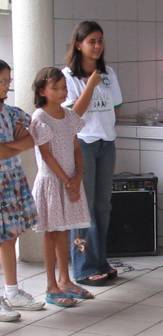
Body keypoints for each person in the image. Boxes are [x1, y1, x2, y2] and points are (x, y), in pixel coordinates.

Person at [63, 21, 123, 286]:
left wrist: (106, 129)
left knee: (103, 206)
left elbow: (115, 108)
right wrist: (91, 84)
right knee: (83, 208)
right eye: (92, 41)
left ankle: (100, 260)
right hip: (83, 144)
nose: (98, 46)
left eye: (100, 41)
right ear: (78, 44)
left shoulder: (108, 72)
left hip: (106, 143)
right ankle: (83, 266)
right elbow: (73, 114)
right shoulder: (67, 76)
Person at [30, 67, 93, 307]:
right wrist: (67, 181)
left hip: (70, 181)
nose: (61, 92)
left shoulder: (69, 116)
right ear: (42, 91)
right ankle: (51, 286)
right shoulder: (40, 117)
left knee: (65, 230)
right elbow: (46, 155)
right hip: (52, 182)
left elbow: (76, 147)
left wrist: (77, 176)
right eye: (55, 88)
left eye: (64, 87)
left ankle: (65, 279)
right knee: (51, 232)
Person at [0, 60, 45, 321]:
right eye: (2, 81)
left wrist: (14, 145)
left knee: (10, 236)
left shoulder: (11, 112)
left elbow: (35, 135)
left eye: (8, 80)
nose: (6, 85)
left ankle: (13, 290)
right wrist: (20, 144)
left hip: (12, 179)